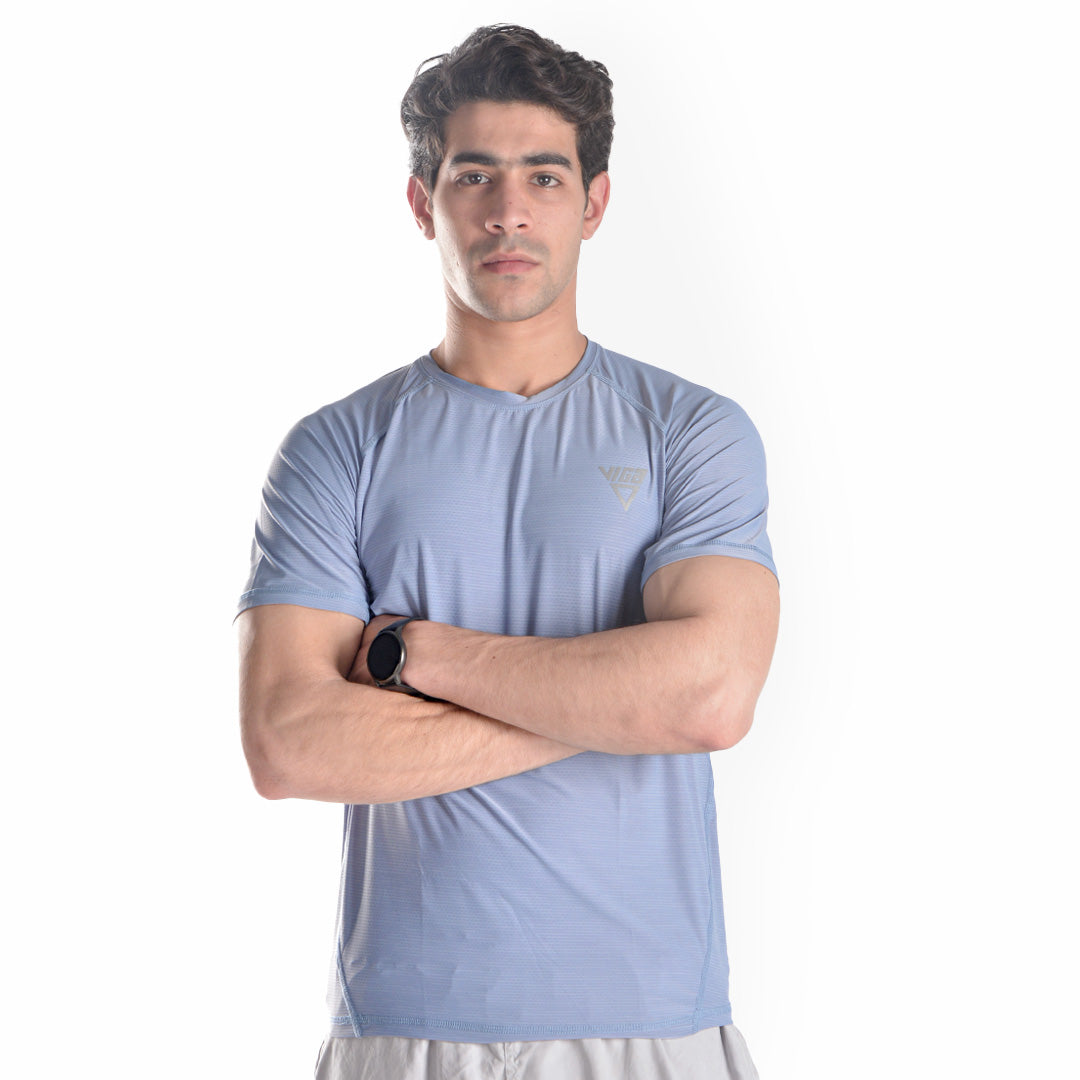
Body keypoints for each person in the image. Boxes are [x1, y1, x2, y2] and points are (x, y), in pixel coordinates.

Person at [237, 24, 779, 1080]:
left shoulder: (689, 431)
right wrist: (617, 704)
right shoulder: (336, 449)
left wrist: (416, 658)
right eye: (474, 175)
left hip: (651, 1021)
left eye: (544, 175)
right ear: (422, 202)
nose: (509, 210)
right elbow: (289, 744)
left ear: (594, 203)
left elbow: (710, 697)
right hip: (405, 1027)